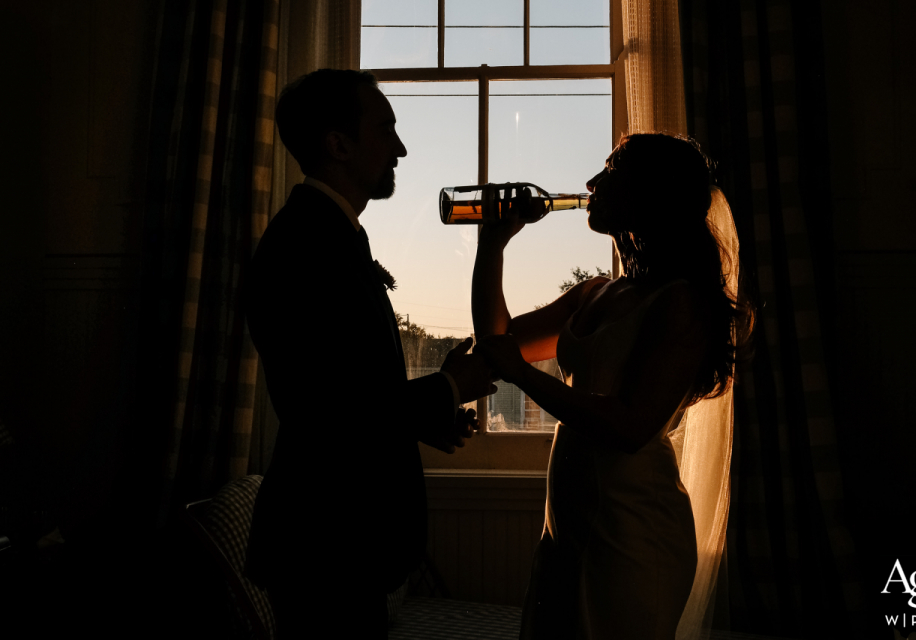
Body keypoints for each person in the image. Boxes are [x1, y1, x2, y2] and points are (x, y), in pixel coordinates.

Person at [242, 69, 497, 636]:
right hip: (326, 541)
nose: (401, 148)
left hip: (337, 543)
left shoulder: (328, 233)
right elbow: (329, 413)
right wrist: (449, 385)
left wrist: (423, 418)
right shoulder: (307, 244)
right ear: (338, 144)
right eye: (386, 130)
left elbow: (348, 393)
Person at [472, 133, 753, 640]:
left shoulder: (681, 302)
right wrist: (491, 246)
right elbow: (497, 342)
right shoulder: (597, 291)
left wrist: (522, 374)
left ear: (652, 193)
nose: (591, 182)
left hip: (634, 531)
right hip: (565, 527)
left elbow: (629, 426)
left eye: (611, 170)